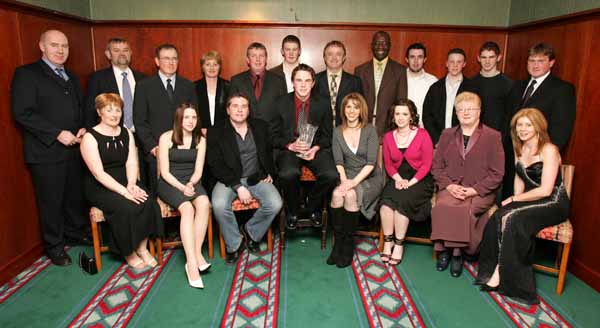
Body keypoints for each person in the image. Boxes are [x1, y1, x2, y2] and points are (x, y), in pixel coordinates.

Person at [11, 30, 89, 266]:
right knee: (51, 202)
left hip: (74, 149)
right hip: (45, 153)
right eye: (54, 45)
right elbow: (22, 112)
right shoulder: (27, 74)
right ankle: (54, 246)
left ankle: (75, 234)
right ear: (42, 46)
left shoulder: (71, 77)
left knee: (74, 197)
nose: (60, 50)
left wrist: (84, 127)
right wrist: (56, 134)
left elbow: (81, 108)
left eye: (64, 46)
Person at [476, 108, 569, 305]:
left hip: (553, 202)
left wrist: (514, 200)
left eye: (528, 125)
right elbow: (520, 176)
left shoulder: (549, 149)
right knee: (498, 215)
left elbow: (545, 190)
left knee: (513, 218)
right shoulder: (520, 146)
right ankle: (495, 267)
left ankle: (504, 275)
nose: (523, 129)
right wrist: (515, 198)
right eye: (519, 125)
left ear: (538, 127)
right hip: (532, 199)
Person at [80, 93, 162, 269]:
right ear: (99, 112)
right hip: (101, 185)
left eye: (117, 109)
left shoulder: (126, 133)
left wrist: (132, 185)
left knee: (148, 202)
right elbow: (98, 173)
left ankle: (142, 248)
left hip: (126, 179)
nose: (114, 114)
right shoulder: (89, 137)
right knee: (126, 207)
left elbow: (132, 162)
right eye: (109, 110)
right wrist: (124, 192)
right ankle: (129, 252)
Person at [430, 92, 504, 278]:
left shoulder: (493, 136)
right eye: (461, 109)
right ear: (456, 112)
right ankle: (444, 251)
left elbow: (497, 173)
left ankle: (457, 254)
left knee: (466, 210)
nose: (465, 112)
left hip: (480, 190)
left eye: (470, 108)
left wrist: (473, 190)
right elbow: (437, 167)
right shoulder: (447, 134)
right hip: (451, 186)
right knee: (442, 205)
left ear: (479, 111)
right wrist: (448, 186)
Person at [207, 93, 283, 264]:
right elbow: (215, 163)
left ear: (249, 110)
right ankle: (234, 244)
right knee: (219, 205)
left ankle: (251, 232)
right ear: (228, 110)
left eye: (244, 106)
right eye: (235, 106)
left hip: (256, 178)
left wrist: (270, 172)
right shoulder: (216, 131)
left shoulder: (260, 126)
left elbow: (269, 152)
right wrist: (237, 186)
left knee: (275, 203)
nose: (239, 110)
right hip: (228, 179)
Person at [502, 43, 576, 198]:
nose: (535, 65)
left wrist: (543, 156)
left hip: (539, 165)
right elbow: (508, 119)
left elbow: (561, 128)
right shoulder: (517, 86)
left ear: (551, 63)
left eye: (541, 61)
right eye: (531, 60)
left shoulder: (562, 89)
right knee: (508, 202)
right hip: (514, 156)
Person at [271, 64, 338, 230]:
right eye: (299, 80)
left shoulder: (323, 103)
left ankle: (312, 205)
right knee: (288, 173)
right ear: (292, 82)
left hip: (314, 149)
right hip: (290, 150)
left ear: (313, 83)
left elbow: (328, 135)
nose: (303, 84)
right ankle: (292, 210)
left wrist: (315, 148)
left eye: (307, 80)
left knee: (331, 175)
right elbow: (272, 135)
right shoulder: (280, 103)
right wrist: (290, 145)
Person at [157, 103, 211, 288]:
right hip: (170, 183)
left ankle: (196, 253)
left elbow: (198, 170)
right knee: (187, 209)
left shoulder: (201, 139)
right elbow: (164, 172)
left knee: (204, 203)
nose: (190, 121)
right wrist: (182, 187)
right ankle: (192, 264)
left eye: (194, 117)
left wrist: (191, 183)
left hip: (191, 181)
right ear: (179, 119)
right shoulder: (166, 138)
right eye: (186, 117)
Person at [133, 44, 198, 194]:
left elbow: (194, 118)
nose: (171, 62)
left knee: (187, 195)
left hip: (184, 154)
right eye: (166, 58)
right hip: (156, 153)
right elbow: (140, 121)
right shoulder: (144, 86)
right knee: (158, 199)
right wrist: (152, 146)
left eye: (174, 58)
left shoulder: (188, 85)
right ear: (157, 61)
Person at [329, 93, 382, 268]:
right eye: (348, 106)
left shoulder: (370, 130)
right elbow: (338, 161)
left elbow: (371, 163)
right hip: (348, 174)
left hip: (370, 177)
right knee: (337, 194)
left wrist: (352, 183)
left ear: (362, 110)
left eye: (356, 107)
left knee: (350, 195)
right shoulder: (337, 131)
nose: (352, 111)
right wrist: (344, 181)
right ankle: (338, 244)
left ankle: (348, 246)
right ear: (343, 109)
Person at [379, 99, 434, 265]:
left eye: (405, 114)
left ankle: (399, 244)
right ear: (393, 117)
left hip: (420, 180)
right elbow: (388, 164)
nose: (400, 117)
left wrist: (410, 182)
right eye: (397, 114)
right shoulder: (388, 137)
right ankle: (388, 242)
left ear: (411, 116)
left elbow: (427, 164)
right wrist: (397, 179)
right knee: (385, 204)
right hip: (397, 178)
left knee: (401, 203)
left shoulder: (423, 135)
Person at [355, 31, 408, 136]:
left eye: (384, 43)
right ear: (372, 45)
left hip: (389, 128)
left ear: (389, 46)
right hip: (363, 127)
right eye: (377, 43)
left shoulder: (400, 71)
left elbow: (401, 101)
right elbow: (356, 100)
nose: (381, 46)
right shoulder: (360, 70)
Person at [85, 38, 146, 130]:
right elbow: (90, 111)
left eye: (125, 50)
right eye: (116, 50)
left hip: (141, 136)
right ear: (108, 54)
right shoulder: (97, 79)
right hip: (111, 135)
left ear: (130, 53)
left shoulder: (143, 79)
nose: (122, 54)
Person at [423, 48, 476, 145]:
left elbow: (476, 116)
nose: (455, 65)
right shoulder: (435, 88)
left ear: (464, 64)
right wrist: (436, 140)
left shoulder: (472, 88)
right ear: (447, 63)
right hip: (439, 141)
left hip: (464, 141)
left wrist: (466, 139)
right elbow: (427, 116)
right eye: (452, 61)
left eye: (459, 62)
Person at [194, 50, 230, 193]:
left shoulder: (228, 86)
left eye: (215, 64)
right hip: (200, 136)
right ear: (202, 67)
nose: (211, 67)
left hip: (223, 136)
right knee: (204, 173)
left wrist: (215, 131)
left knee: (220, 172)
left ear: (220, 67)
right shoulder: (194, 87)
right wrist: (200, 128)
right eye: (208, 64)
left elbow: (231, 111)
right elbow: (191, 112)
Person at [230, 42, 287, 123]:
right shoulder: (236, 81)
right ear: (247, 60)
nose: (258, 59)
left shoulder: (279, 81)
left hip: (272, 133)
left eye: (261, 56)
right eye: (253, 56)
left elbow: (284, 110)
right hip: (245, 132)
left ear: (266, 59)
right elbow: (232, 110)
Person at [314, 40, 363, 127]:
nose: (334, 58)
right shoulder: (315, 80)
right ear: (324, 57)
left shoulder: (355, 81)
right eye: (330, 54)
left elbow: (360, 109)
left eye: (338, 54)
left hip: (347, 131)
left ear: (344, 58)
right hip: (320, 133)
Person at [470, 41, 513, 132]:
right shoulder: (470, 83)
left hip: (497, 135)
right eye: (484, 57)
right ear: (478, 58)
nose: (487, 61)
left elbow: (510, 116)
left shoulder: (508, 84)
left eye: (491, 57)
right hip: (473, 134)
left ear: (499, 58)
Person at [405, 43, 437, 125]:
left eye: (420, 57)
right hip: (401, 129)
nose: (416, 61)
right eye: (412, 57)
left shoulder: (433, 81)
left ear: (425, 59)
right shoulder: (399, 79)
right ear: (407, 59)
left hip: (425, 130)